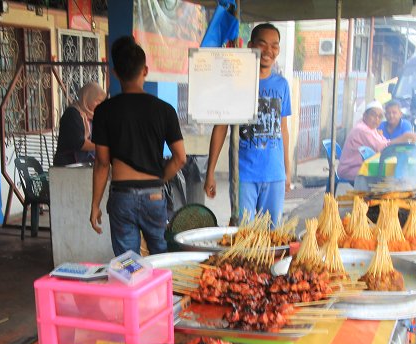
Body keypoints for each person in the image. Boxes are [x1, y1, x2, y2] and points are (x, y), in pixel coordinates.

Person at [89, 36, 186, 255]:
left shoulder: (104, 111)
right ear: (145, 70)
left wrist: (95, 204)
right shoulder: (164, 110)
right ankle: (161, 291)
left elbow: (102, 163)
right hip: (154, 195)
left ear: (115, 73)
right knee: (161, 260)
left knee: (128, 263)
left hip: (122, 196)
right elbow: (180, 158)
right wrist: (160, 179)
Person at [203, 22, 291, 224]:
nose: (269, 51)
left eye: (275, 45)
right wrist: (210, 172)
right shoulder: (235, 82)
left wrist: (287, 170)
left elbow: (283, 129)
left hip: (274, 175)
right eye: (263, 44)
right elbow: (220, 127)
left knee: (272, 239)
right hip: (244, 176)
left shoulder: (282, 85)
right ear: (251, 45)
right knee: (244, 238)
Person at [337, 100, 416, 188]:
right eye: (373, 115)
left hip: (358, 165)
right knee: (388, 177)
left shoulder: (370, 128)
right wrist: (403, 138)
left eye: (380, 116)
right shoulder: (363, 129)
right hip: (350, 169)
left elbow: (384, 141)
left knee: (393, 175)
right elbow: (384, 147)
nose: (377, 119)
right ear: (365, 115)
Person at [53, 82, 107, 166]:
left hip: (84, 165)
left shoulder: (91, 116)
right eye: (97, 101)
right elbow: (79, 144)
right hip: (68, 166)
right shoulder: (72, 114)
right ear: (87, 98)